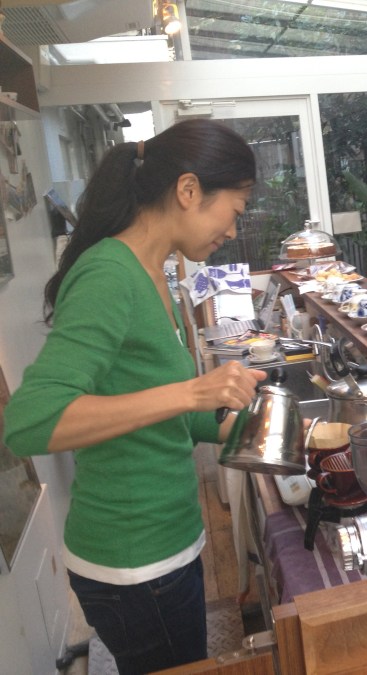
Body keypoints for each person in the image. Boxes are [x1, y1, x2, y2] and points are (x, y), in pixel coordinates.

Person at [3, 119, 268, 674]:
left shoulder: (154, 272)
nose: (232, 230)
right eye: (235, 211)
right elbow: (30, 422)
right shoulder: (110, 274)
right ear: (188, 189)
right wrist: (189, 391)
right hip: (135, 565)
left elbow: (176, 419)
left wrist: (253, 423)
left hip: (165, 545)